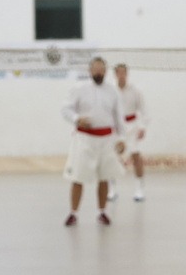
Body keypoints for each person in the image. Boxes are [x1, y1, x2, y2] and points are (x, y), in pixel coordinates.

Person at [62, 56, 126, 226]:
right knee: (78, 176)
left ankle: (102, 211)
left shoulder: (113, 92)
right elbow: (65, 109)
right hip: (84, 139)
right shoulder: (79, 89)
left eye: (101, 69)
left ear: (105, 71)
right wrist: (77, 118)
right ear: (90, 71)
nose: (98, 72)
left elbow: (119, 118)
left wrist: (122, 138)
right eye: (95, 69)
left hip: (106, 140)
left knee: (104, 176)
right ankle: (73, 212)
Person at [115, 63, 148, 201]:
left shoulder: (136, 90)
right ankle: (112, 189)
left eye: (124, 72)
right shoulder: (111, 90)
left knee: (136, 156)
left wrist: (142, 127)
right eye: (119, 73)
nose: (122, 75)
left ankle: (139, 188)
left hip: (133, 126)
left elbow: (144, 110)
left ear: (127, 74)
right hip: (117, 127)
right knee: (112, 157)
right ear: (115, 74)